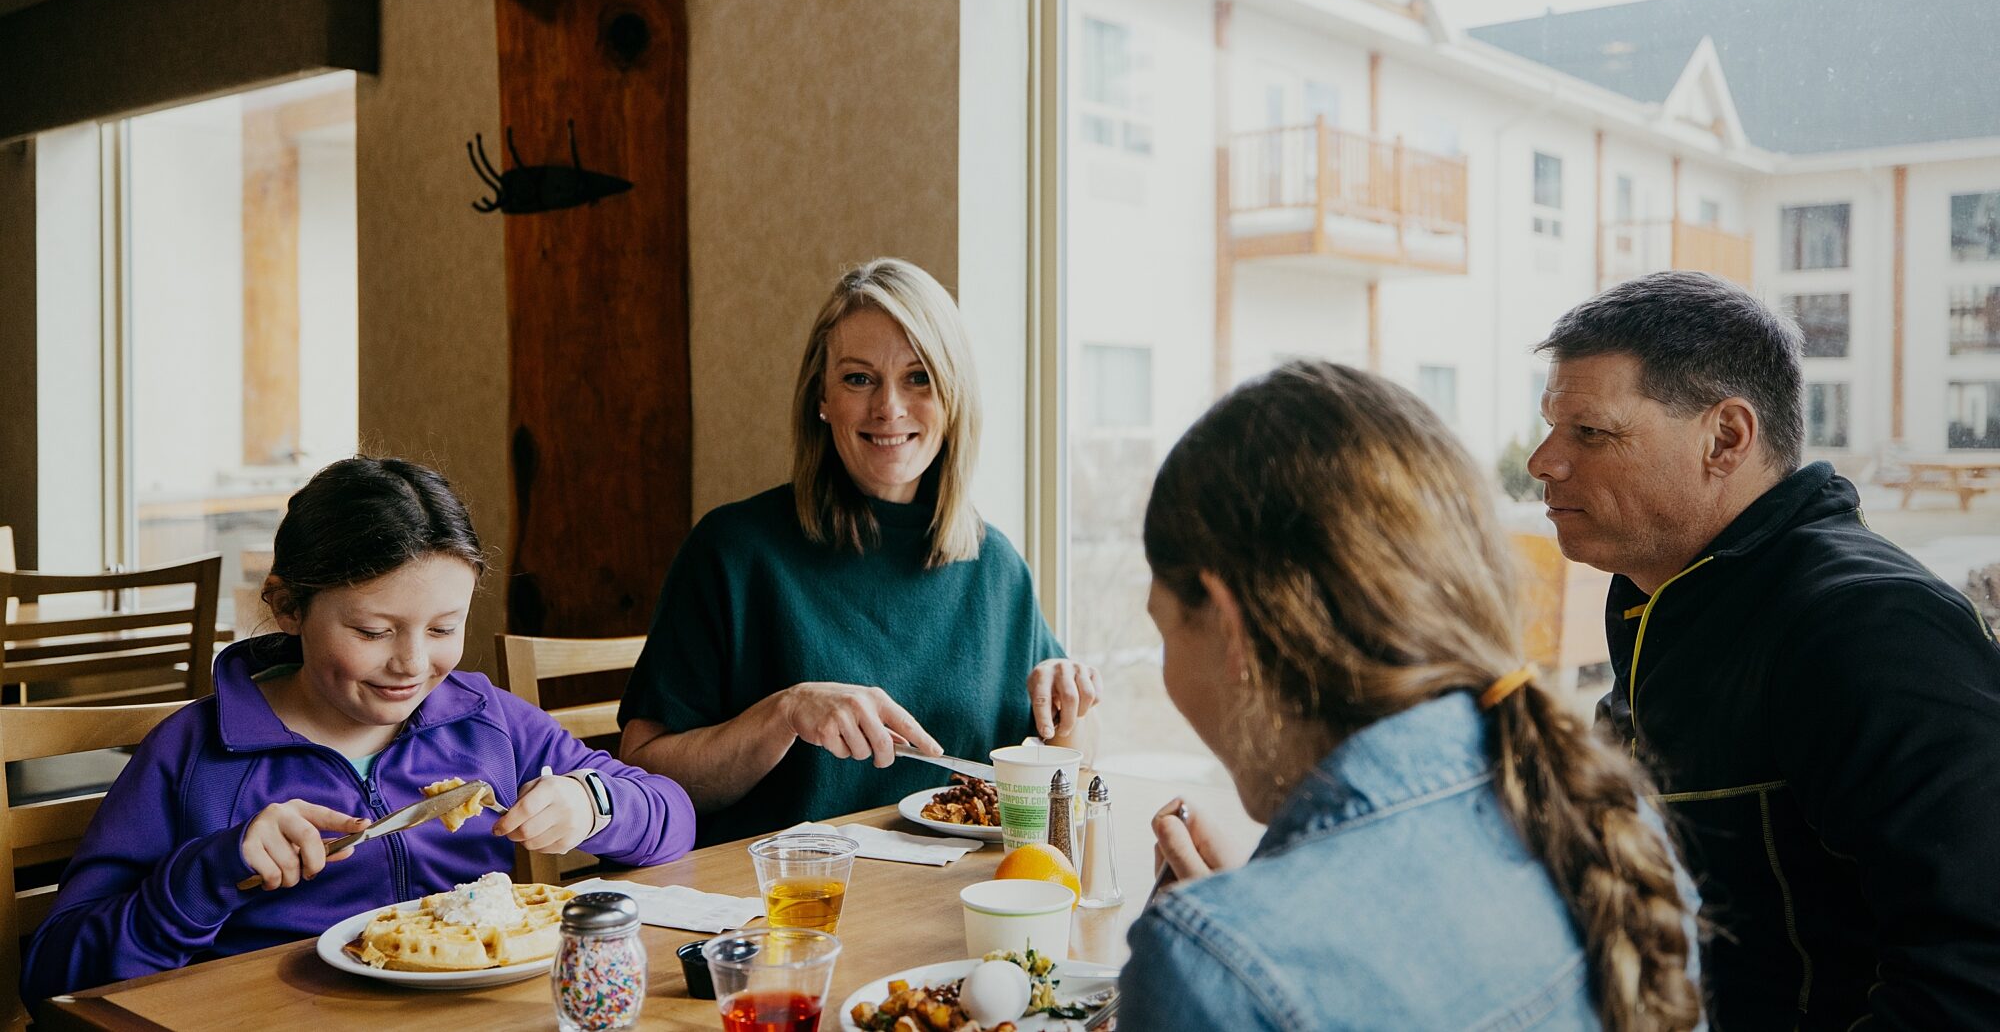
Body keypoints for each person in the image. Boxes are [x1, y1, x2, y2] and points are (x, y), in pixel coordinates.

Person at [1122, 361, 1701, 1031]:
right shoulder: (1616, 831)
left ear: (1228, 625)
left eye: (1164, 625)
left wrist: (1222, 951)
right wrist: (1253, 907)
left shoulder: (1211, 965)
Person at [22, 458, 696, 1005]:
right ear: (288, 607)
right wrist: (210, 871)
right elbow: (54, 970)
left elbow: (673, 817)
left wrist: (592, 801)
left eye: (442, 628)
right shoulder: (194, 752)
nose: (411, 664)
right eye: (373, 631)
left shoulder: (480, 716)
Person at [1528, 271, 2000, 1029]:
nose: (1543, 461)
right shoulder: (1666, 607)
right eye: (1551, 426)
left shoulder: (1870, 628)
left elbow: (1975, 980)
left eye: (1590, 432)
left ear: (1725, 438)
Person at [618, 258, 1098, 847]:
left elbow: (1064, 776)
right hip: (781, 907)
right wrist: (784, 712)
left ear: (954, 398)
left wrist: (1068, 705)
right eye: (858, 378)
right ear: (821, 397)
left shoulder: (994, 566)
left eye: (918, 377)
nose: (889, 408)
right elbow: (641, 775)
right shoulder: (732, 552)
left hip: (948, 909)